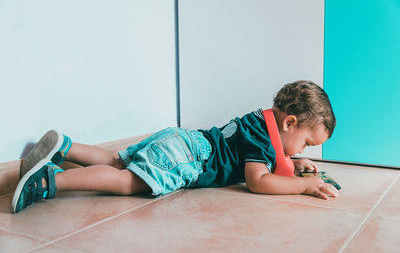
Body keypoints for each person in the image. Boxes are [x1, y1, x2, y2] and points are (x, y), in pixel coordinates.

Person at [11, 80, 338, 213]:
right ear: (290, 123)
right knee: (130, 181)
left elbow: (269, 160)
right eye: (306, 144)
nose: (303, 151)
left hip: (182, 139)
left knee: (117, 160)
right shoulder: (263, 139)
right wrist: (302, 186)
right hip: (191, 157)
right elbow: (258, 180)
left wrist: (292, 164)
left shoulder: (260, 122)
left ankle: (64, 147)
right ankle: (50, 180)